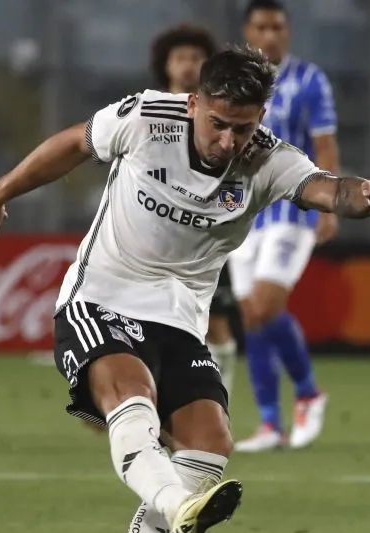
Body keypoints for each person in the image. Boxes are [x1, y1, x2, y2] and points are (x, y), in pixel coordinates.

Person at [0, 47, 370, 533]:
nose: (227, 140)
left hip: (178, 319)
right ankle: (179, 508)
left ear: (260, 118)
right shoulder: (147, 119)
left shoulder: (268, 160)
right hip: (102, 296)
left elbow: (325, 188)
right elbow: (73, 143)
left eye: (242, 127)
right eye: (217, 123)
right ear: (194, 103)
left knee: (210, 440)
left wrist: (366, 195)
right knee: (132, 397)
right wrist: (1, 191)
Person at [229, 0, 341, 452]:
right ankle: (271, 424)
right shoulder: (233, 81)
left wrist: (330, 203)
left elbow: (325, 144)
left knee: (265, 304)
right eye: (262, 27)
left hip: (292, 207)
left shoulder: (310, 80)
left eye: (278, 27)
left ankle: (310, 392)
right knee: (252, 317)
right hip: (240, 210)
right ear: (247, 31)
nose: (270, 35)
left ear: (288, 32)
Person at [149, 23, 238, 396]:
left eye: (196, 59)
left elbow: (239, 176)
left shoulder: (225, 117)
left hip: (207, 236)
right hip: (154, 235)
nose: (188, 66)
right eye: (180, 58)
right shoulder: (146, 111)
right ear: (165, 65)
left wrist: (227, 213)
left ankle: (219, 400)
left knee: (215, 323)